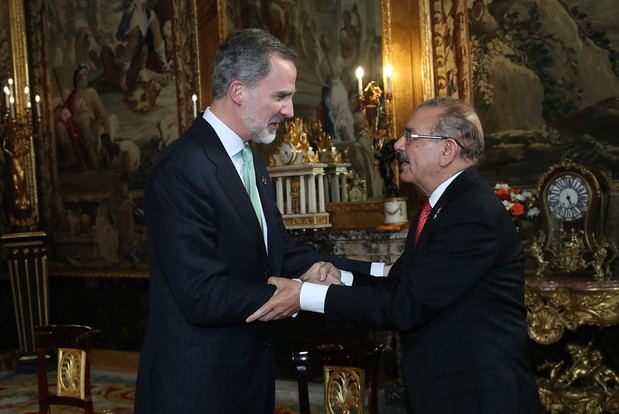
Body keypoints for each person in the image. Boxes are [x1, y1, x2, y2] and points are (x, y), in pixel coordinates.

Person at [133, 28, 384, 414]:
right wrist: (296, 295)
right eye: (280, 96)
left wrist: (371, 274)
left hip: (247, 376)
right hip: (197, 386)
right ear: (239, 91)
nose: (290, 110)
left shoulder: (252, 162)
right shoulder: (182, 168)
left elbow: (277, 250)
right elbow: (201, 294)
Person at [249, 97, 541, 413]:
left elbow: (405, 306)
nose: (398, 145)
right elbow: (403, 282)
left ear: (447, 150)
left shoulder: (470, 213)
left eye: (411, 136)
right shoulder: (442, 206)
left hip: (479, 396)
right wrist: (340, 277)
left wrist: (304, 295)